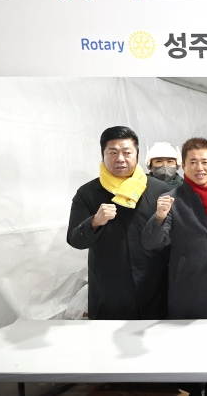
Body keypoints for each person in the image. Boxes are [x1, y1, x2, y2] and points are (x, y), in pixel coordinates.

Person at [141, 137, 207, 396]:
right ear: (183, 166)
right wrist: (159, 216)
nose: (199, 167)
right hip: (187, 290)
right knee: (188, 357)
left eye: (204, 161)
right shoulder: (170, 199)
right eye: (192, 162)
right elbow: (151, 243)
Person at [67, 126, 169, 319]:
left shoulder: (159, 189)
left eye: (127, 152)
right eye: (112, 153)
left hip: (153, 288)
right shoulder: (88, 193)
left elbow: (171, 236)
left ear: (137, 155)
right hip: (109, 292)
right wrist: (95, 222)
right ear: (103, 155)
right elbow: (74, 239)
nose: (120, 158)